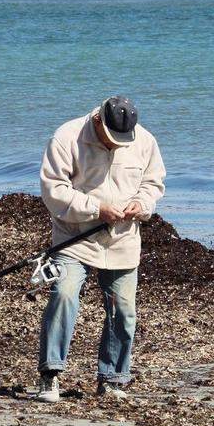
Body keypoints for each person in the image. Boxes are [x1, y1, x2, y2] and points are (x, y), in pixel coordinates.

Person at [37, 96, 166, 403]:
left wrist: (142, 205)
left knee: (123, 310)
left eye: (122, 141)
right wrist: (96, 208)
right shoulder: (67, 136)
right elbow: (53, 190)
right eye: (111, 139)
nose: (116, 145)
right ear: (98, 121)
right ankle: (50, 375)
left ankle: (111, 379)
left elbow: (153, 182)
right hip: (74, 236)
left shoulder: (144, 140)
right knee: (64, 294)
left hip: (122, 238)